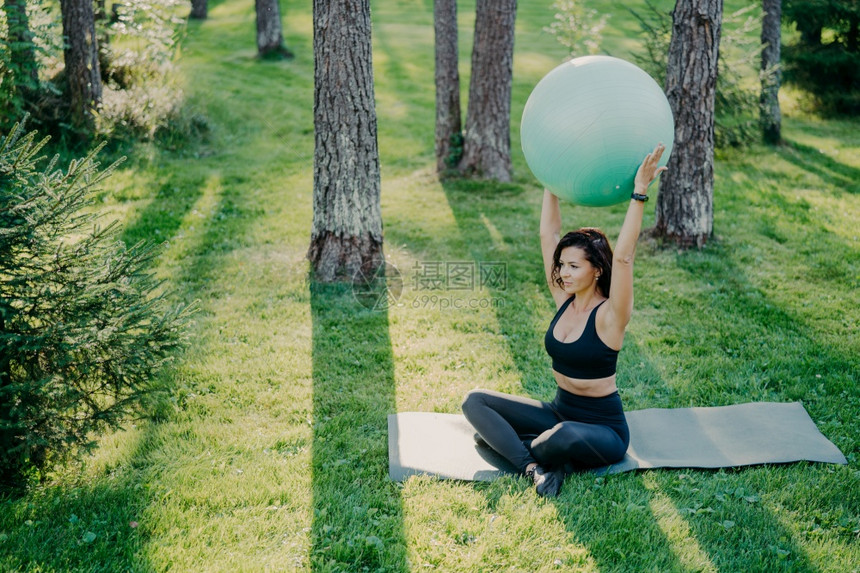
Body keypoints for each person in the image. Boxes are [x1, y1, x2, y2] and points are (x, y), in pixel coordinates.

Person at [462, 144, 667, 497]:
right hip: (559, 409)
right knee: (474, 402)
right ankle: (533, 467)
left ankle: (516, 446)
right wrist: (550, 180)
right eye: (561, 265)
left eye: (574, 266)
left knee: (563, 436)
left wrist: (640, 192)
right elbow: (548, 236)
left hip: (603, 428)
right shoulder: (563, 299)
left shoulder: (611, 316)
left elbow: (624, 258)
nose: (563, 273)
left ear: (596, 270)